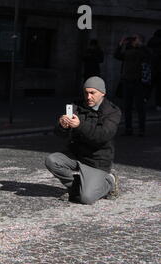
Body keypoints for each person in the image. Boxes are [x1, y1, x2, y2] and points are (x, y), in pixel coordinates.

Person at [45, 76, 121, 205]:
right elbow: (59, 135)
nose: (88, 96)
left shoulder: (112, 112)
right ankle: (76, 189)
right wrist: (63, 126)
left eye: (92, 93)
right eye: (86, 92)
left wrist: (79, 125)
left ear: (103, 93)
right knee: (52, 160)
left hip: (97, 160)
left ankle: (109, 181)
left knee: (87, 198)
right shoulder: (77, 106)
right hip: (76, 155)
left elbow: (102, 136)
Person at [114, 34, 152, 137]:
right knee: (127, 107)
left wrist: (142, 45)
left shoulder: (142, 52)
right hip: (127, 82)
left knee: (140, 107)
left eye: (135, 39)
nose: (133, 41)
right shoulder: (127, 51)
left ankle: (141, 129)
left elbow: (150, 56)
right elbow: (117, 56)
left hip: (138, 82)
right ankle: (128, 128)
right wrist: (120, 44)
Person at [147, 29, 161, 111]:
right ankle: (158, 105)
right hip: (159, 70)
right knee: (159, 89)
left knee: (148, 88)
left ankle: (144, 101)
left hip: (151, 69)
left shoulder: (150, 43)